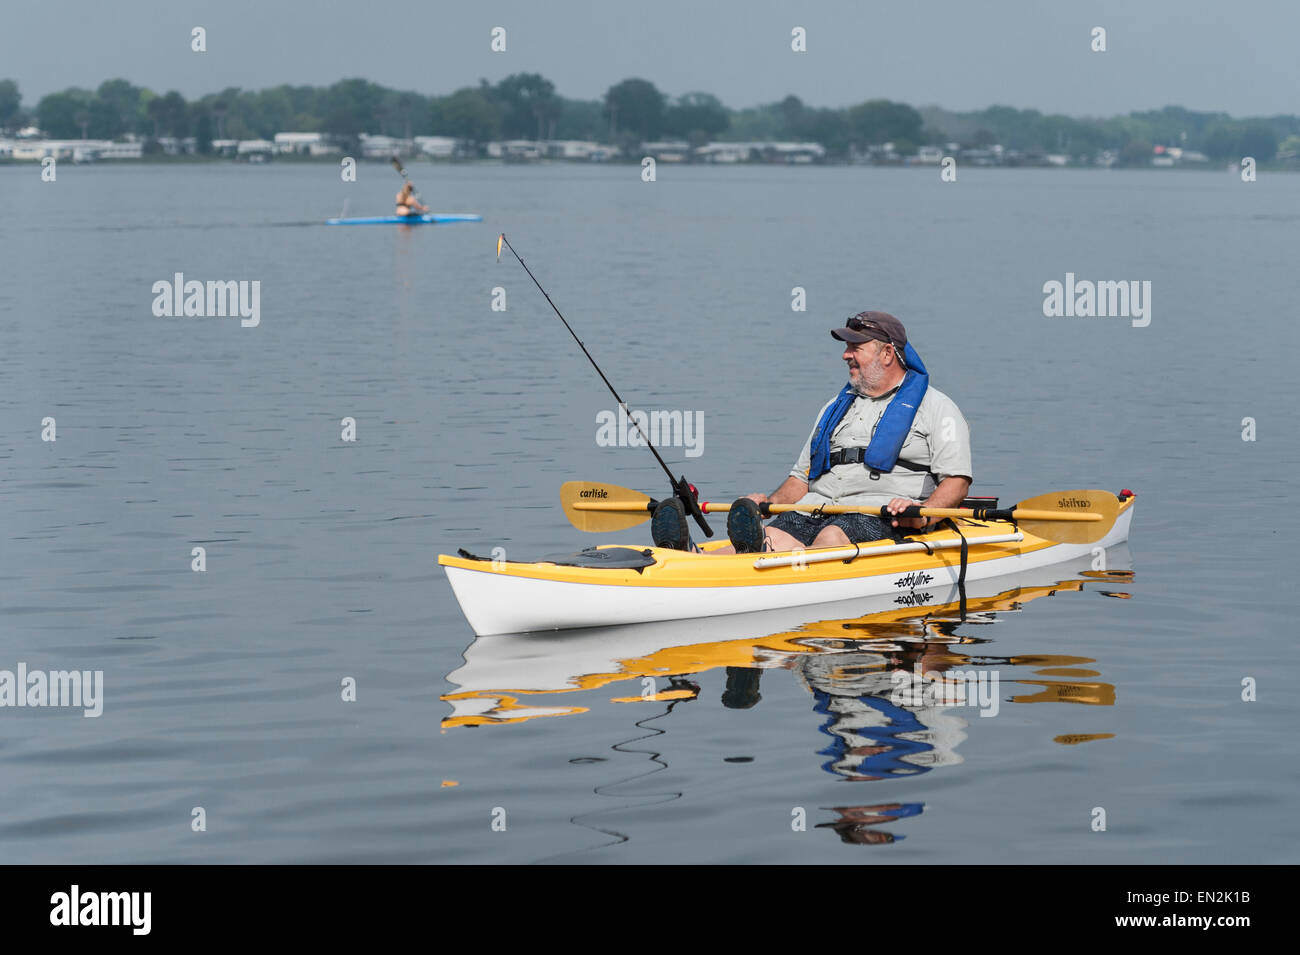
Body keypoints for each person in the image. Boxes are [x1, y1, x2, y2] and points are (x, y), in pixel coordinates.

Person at [651, 311, 972, 553]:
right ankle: (691, 559)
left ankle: (776, 575)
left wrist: (923, 515)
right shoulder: (834, 408)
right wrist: (768, 502)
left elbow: (956, 483)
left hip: (879, 515)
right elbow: (800, 480)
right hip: (816, 508)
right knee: (771, 536)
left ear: (887, 354)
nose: (846, 354)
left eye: (856, 347)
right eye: (847, 347)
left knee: (830, 537)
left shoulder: (937, 408)